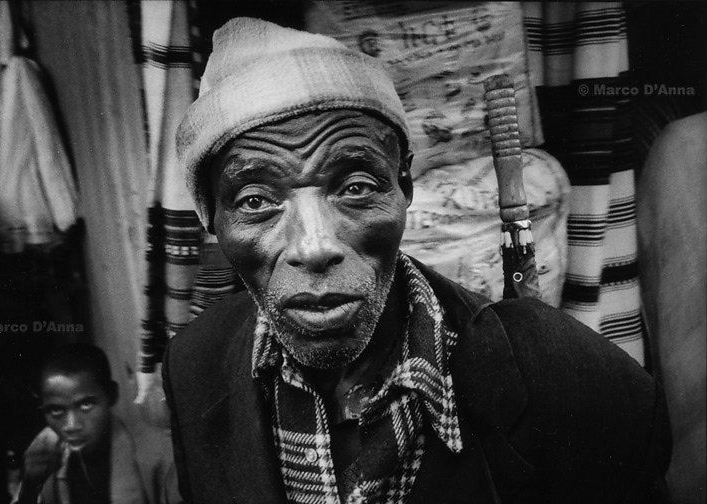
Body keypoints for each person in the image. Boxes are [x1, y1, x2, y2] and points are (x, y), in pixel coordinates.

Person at [163, 17, 671, 503]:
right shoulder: (193, 366)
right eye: (255, 200)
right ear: (212, 218)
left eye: (355, 188)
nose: (313, 246)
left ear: (404, 187)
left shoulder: (577, 385)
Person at [13, 343, 181, 504]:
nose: (71, 425)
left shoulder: (158, 456)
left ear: (112, 395)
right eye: (56, 410)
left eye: (86, 405)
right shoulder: (48, 459)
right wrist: (30, 486)